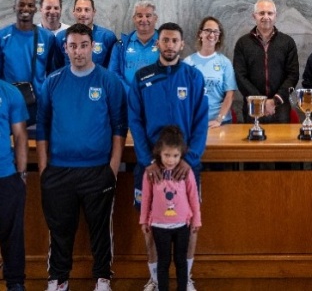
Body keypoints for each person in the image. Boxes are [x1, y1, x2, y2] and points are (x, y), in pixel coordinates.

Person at [36, 23, 127, 291]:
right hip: (59, 171)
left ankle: (102, 278)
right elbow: (42, 127)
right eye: (73, 46)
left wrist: (112, 166)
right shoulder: (52, 82)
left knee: (100, 230)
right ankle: (59, 278)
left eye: (83, 45)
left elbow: (119, 127)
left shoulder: (109, 81)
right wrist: (43, 168)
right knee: (60, 230)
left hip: (98, 170)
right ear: (65, 48)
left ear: (93, 48)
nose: (78, 51)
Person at [129, 22, 208, 291]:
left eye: (175, 41)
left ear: (182, 44)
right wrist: (147, 161)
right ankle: (154, 277)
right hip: (149, 168)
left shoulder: (193, 77)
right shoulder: (142, 77)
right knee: (149, 223)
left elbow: (200, 121)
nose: (170, 45)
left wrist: (190, 159)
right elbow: (135, 121)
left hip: (185, 168)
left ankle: (185, 279)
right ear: (158, 44)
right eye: (165, 40)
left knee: (190, 223)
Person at [140, 125, 202, 291]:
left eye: (175, 156)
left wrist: (196, 220)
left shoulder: (186, 172)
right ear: (159, 152)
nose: (170, 160)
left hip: (182, 225)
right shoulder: (150, 174)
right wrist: (144, 220)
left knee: (181, 262)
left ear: (181, 155)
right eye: (167, 155)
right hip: (159, 226)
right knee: (163, 262)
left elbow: (193, 197)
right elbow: (146, 198)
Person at [233, 0, 299, 123]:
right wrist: (260, 101)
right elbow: (240, 76)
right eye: (261, 13)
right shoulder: (243, 43)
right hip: (253, 106)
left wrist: (274, 101)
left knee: (280, 141)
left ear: (275, 16)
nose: (266, 17)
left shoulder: (287, 42)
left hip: (280, 107)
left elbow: (293, 74)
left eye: (270, 13)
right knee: (253, 142)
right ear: (254, 16)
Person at [0, 0, 56, 126]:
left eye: (30, 5)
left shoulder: (47, 37)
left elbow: (52, 71)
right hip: (9, 101)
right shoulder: (3, 36)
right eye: (21, 4)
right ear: (14, 7)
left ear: (35, 9)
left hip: (37, 102)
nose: (25, 8)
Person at [0, 79, 29, 291]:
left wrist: (21, 173)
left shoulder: (10, 92)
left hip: (7, 175)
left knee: (13, 233)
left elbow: (20, 135)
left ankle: (15, 282)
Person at [183, 16, 236, 127]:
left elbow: (230, 95)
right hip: (194, 122)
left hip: (221, 123)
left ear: (219, 37)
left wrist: (219, 119)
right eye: (207, 30)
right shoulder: (188, 62)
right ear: (200, 34)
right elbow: (183, 95)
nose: (211, 35)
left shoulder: (224, 62)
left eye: (215, 32)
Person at [53, 0, 117, 69]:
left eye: (87, 10)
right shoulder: (61, 37)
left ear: (94, 12)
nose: (83, 14)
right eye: (78, 10)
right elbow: (57, 68)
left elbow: (112, 68)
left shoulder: (107, 37)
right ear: (73, 12)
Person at [109, 0, 160, 93]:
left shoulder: (165, 43)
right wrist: (131, 93)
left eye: (148, 16)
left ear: (155, 18)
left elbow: (172, 71)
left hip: (156, 98)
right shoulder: (120, 45)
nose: (144, 20)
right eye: (139, 16)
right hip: (128, 99)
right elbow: (113, 73)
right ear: (134, 18)